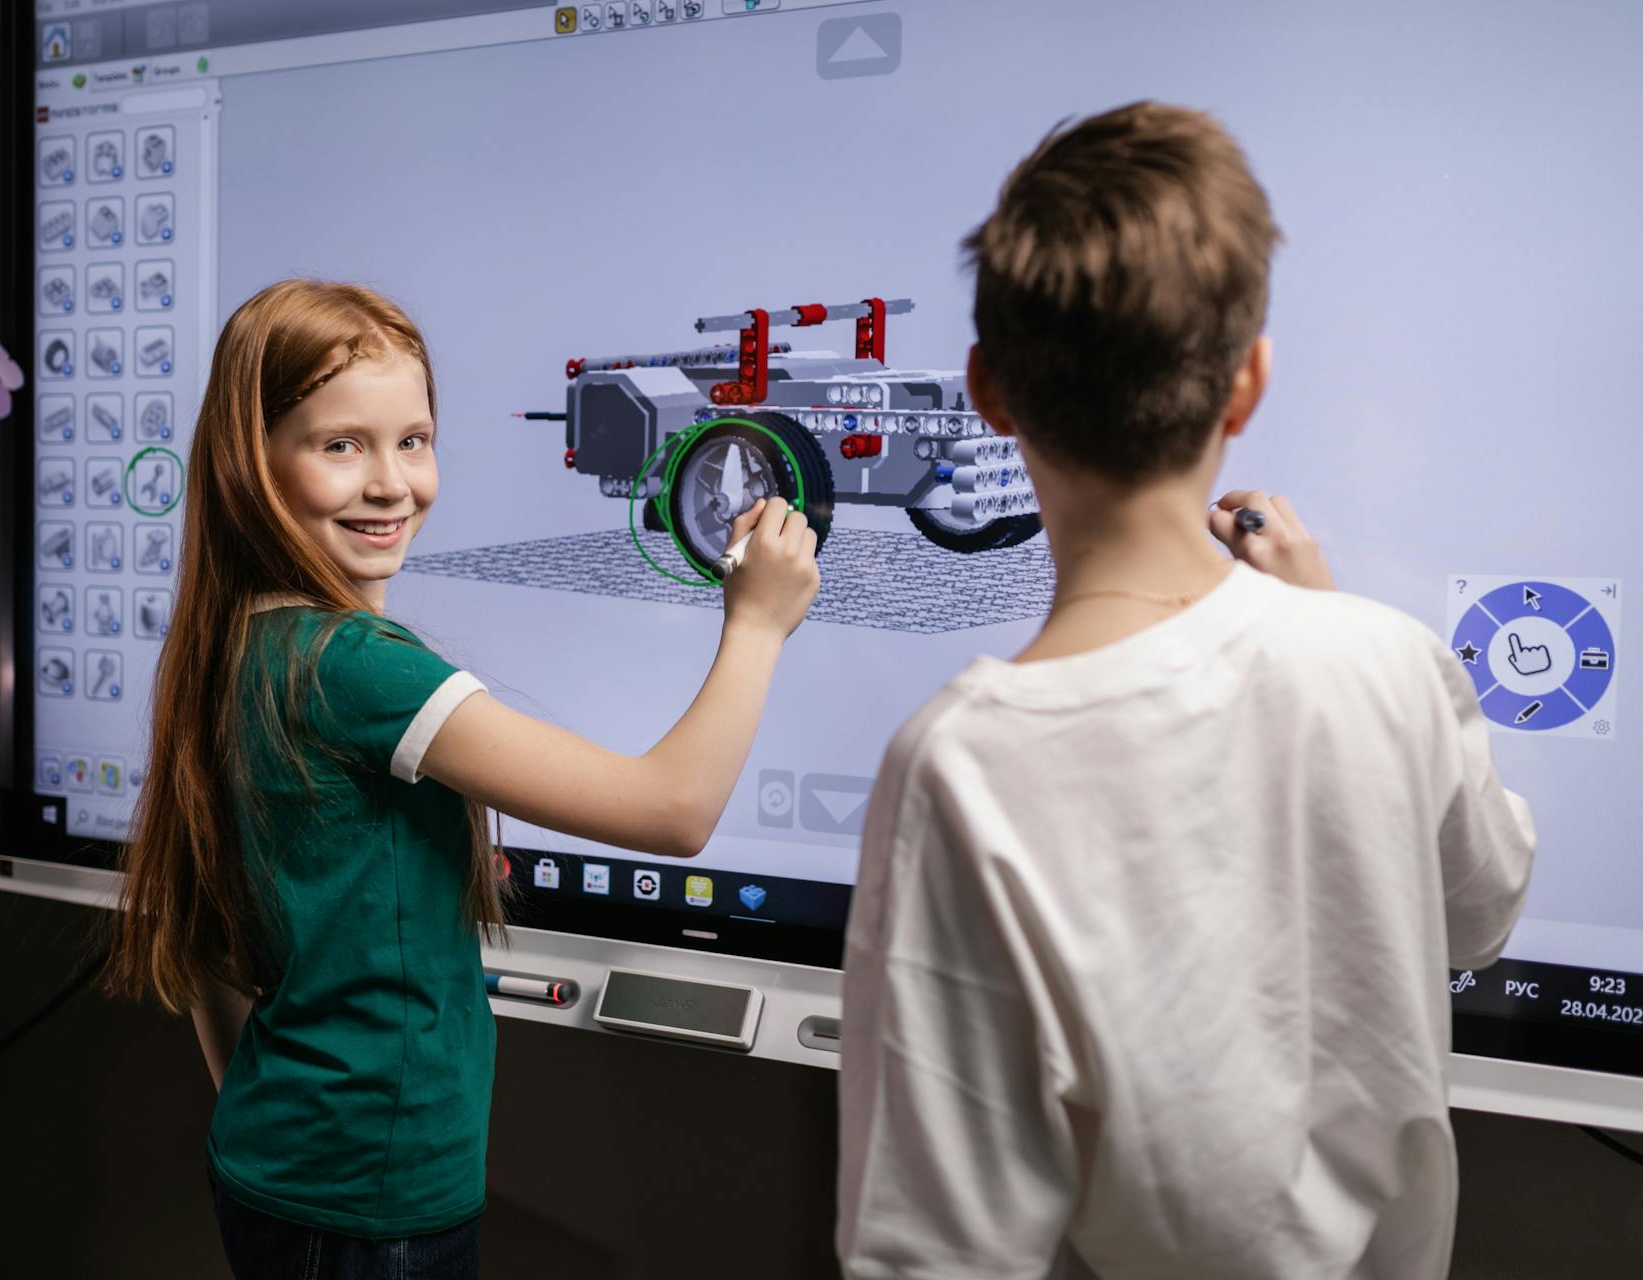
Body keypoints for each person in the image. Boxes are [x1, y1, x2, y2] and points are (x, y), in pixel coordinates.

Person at [835, 103, 1535, 1279]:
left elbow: (932, 1250)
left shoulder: (962, 762)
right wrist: (1324, 617)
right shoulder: (1391, 658)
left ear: (988, 392)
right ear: (1246, 384)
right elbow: (1479, 914)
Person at [105, 279, 820, 1279]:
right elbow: (674, 808)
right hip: (371, 1205)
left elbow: (207, 942)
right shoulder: (357, 667)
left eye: (414, 440)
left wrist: (282, 1118)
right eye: (340, 444)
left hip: (281, 1168)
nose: (394, 483)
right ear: (250, 463)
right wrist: (755, 623)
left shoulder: (240, 643)